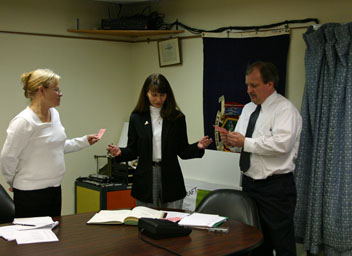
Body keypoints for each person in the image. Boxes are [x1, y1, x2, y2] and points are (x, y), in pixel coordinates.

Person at [219, 62, 302, 256]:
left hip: (276, 188)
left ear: (270, 84)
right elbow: (242, 144)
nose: (248, 90)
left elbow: (281, 145)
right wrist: (231, 141)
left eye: (254, 85)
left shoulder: (285, 110)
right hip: (250, 185)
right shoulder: (248, 109)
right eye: (247, 85)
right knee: (254, 242)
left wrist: (245, 142)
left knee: (282, 244)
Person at [0, 68, 100, 218]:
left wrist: (83, 141)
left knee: (54, 236)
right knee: (32, 239)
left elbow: (56, 147)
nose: (60, 93)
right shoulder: (23, 121)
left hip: (54, 189)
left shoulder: (54, 114)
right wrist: (12, 182)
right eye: (56, 89)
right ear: (41, 90)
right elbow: (7, 157)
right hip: (29, 193)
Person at [107, 73, 212, 209]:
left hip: (170, 175)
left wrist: (198, 146)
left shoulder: (177, 117)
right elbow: (133, 150)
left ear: (168, 95)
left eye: (162, 95)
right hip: (146, 176)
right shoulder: (137, 118)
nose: (158, 99)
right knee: (146, 221)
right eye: (154, 95)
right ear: (146, 93)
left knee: (172, 221)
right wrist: (119, 152)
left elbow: (183, 151)